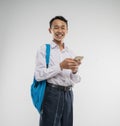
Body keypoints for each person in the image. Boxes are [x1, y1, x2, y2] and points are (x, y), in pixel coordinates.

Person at [34, 16, 82, 126]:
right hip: (52, 94)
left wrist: (74, 71)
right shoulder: (44, 50)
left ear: (67, 30)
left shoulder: (70, 52)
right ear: (50, 30)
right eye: (56, 27)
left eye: (63, 28)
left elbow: (75, 80)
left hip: (68, 94)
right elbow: (38, 75)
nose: (60, 31)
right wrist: (60, 66)